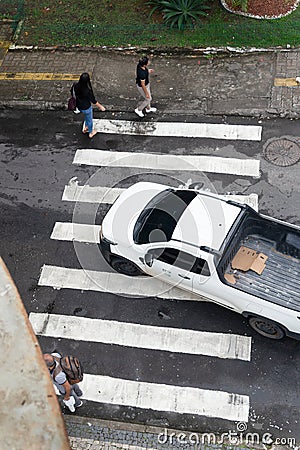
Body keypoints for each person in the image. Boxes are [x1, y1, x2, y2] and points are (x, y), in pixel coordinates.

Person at [73, 72, 106, 138]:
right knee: (89, 119)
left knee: (86, 117)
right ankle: (91, 133)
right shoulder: (87, 90)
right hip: (86, 107)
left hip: (79, 106)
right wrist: (100, 106)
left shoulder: (75, 85)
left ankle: (86, 127)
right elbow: (93, 100)